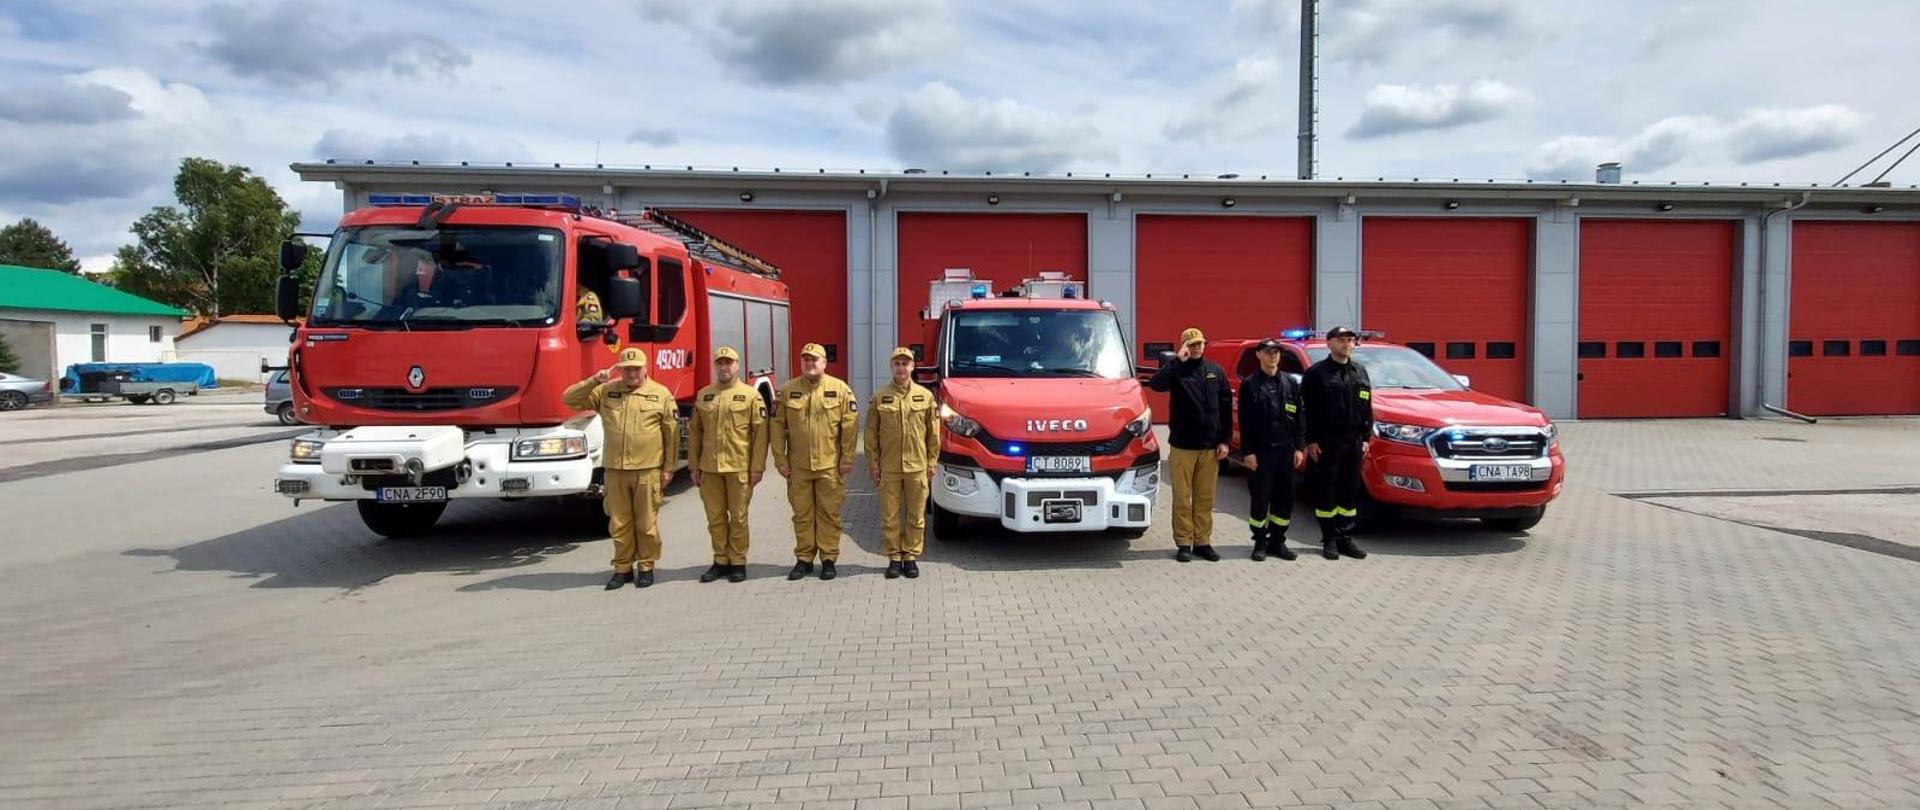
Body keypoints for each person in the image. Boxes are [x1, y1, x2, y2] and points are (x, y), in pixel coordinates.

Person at [561, 348, 678, 589]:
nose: (631, 373)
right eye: (626, 369)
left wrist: (669, 468)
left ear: (646, 369)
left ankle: (646, 565)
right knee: (619, 522)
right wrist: (595, 380)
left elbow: (671, 435)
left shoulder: (661, 394)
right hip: (615, 470)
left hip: (647, 469)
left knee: (646, 523)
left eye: (636, 368)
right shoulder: (607, 391)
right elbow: (569, 399)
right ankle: (622, 568)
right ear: (620, 370)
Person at [771, 343, 859, 581]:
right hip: (798, 467)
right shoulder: (787, 391)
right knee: (802, 514)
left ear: (824, 363)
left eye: (815, 360)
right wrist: (780, 460)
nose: (810, 364)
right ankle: (804, 559)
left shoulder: (839, 389)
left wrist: (847, 458)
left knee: (829, 513)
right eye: (806, 360)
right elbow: (777, 427)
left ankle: (829, 558)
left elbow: (849, 427)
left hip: (829, 466)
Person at [1147, 327, 1233, 562]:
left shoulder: (1215, 371)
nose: (1196, 347)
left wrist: (1226, 441)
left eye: (1200, 344)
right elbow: (1155, 384)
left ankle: (1203, 542)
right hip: (1183, 447)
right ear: (1184, 346)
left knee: (1205, 498)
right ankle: (1184, 542)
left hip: (1210, 447)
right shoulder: (1176, 370)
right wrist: (1176, 361)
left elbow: (1226, 408)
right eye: (1192, 344)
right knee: (1183, 498)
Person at [688, 347, 768, 582]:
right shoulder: (705, 395)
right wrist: (694, 467)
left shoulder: (751, 395)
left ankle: (738, 562)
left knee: (739, 517)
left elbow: (760, 435)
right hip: (710, 469)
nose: (724, 367)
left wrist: (757, 468)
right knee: (715, 518)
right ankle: (720, 561)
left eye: (729, 363)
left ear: (737, 365)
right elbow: (695, 433)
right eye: (720, 363)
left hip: (739, 468)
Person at [866, 347, 940, 579]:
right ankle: (894, 557)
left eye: (905, 364)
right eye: (897, 364)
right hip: (889, 467)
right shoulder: (880, 397)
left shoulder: (925, 396)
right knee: (890, 516)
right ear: (892, 367)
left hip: (917, 466)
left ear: (912, 367)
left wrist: (931, 462)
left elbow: (933, 434)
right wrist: (874, 464)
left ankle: (910, 557)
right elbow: (870, 435)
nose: (901, 368)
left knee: (916, 515)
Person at [1301, 326, 1372, 560]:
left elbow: (1366, 408)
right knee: (1327, 492)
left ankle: (1345, 538)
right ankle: (1329, 538)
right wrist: (1309, 440)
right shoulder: (1317, 373)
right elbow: (1305, 410)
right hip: (1327, 442)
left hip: (1353, 442)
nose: (1347, 344)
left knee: (1349, 492)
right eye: (1341, 340)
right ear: (1329, 344)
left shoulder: (1360, 371)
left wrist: (1366, 438)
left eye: (1351, 340)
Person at [1238, 338, 1306, 561]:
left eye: (1276, 352)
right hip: (1261, 453)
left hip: (1286, 452)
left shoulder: (1290, 383)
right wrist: (1247, 452)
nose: (1273, 356)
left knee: (1284, 498)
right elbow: (1244, 422)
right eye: (1268, 352)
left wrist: (1299, 447)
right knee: (1260, 498)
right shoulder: (1250, 384)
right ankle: (1259, 541)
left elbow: (1299, 418)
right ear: (1259, 355)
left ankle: (1278, 541)